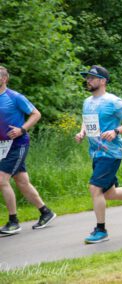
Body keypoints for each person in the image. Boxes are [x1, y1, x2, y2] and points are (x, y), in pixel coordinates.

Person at [76, 65, 122, 244]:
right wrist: (82, 132)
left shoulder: (113, 101)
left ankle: (101, 230)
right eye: (87, 77)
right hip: (95, 153)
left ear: (103, 81)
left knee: (95, 188)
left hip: (111, 153)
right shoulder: (87, 102)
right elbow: (87, 121)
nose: (88, 80)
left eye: (92, 77)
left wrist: (116, 131)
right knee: (110, 193)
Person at [0, 66, 56, 235]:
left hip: (18, 144)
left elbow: (36, 114)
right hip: (3, 146)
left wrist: (21, 129)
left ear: (4, 79)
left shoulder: (15, 97)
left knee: (2, 180)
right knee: (22, 181)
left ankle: (13, 221)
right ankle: (46, 212)